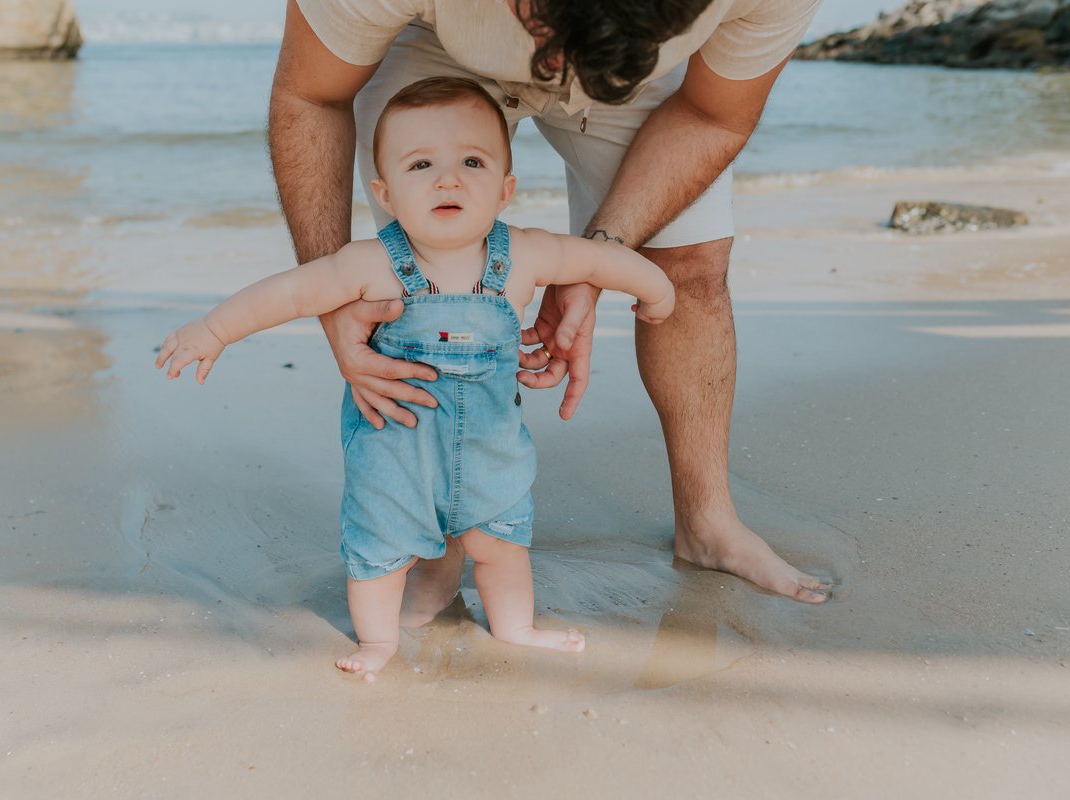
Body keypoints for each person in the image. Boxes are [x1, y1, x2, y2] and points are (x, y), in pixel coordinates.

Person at [268, 0, 836, 616]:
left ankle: (708, 523)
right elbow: (311, 95)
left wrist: (597, 257)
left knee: (691, 264)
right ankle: (434, 551)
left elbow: (712, 113)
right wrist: (333, 295)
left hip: (640, 73)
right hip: (441, 45)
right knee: (421, 286)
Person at [157, 78, 675, 681]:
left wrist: (656, 290)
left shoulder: (526, 255)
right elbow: (293, 292)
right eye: (421, 164)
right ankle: (378, 642)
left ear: (506, 189)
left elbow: (599, 260)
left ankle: (516, 626)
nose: (448, 179)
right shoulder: (370, 263)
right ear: (384, 191)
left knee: (503, 546)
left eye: (472, 162)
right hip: (393, 459)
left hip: (491, 459)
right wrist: (216, 329)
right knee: (377, 553)